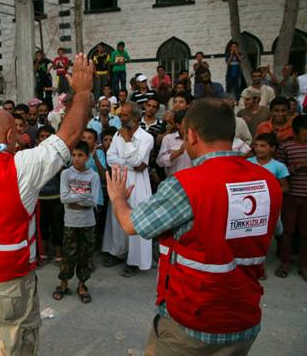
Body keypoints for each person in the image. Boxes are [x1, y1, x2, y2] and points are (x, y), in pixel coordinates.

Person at [0, 56, 94, 355]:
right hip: (6, 283)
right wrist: (84, 92)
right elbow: (69, 136)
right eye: (17, 135)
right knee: (16, 348)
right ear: (10, 135)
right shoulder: (20, 167)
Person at [106, 98, 282, 356]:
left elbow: (132, 225)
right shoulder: (268, 181)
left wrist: (119, 199)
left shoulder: (187, 184)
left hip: (192, 323)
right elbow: (272, 231)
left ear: (191, 134)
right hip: (244, 320)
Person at [104, 102, 154, 276]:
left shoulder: (147, 138)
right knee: (117, 216)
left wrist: (127, 143)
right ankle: (118, 252)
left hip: (138, 184)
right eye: (120, 115)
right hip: (120, 181)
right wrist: (129, 162)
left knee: (135, 219)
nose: (121, 118)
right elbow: (110, 158)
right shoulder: (117, 135)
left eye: (124, 116)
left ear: (136, 117)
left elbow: (139, 163)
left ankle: (134, 261)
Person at [53, 141, 100, 304]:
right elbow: (63, 198)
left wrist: (75, 200)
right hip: (70, 222)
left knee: (85, 256)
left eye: (80, 155)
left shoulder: (93, 176)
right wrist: (83, 197)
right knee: (68, 255)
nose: (76, 159)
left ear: (87, 157)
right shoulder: (66, 174)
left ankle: (82, 285)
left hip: (87, 223)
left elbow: (94, 201)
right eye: (73, 155)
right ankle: (64, 283)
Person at [275, 115, 307, 280]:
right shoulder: (286, 147)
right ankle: (285, 262)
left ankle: (303, 265)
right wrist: (298, 166)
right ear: (300, 131)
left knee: (305, 232)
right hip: (291, 196)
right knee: (287, 231)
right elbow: (280, 170)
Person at [37, 126, 65, 263]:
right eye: (42, 136)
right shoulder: (34, 156)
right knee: (42, 227)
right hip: (40, 198)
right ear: (38, 140)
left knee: (57, 226)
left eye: (48, 136)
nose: (45, 139)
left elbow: (63, 176)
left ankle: (58, 254)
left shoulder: (58, 156)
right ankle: (44, 254)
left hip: (56, 198)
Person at [157, 109, 192, 176]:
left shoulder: (198, 140)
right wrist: (179, 152)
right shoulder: (168, 139)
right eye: (186, 122)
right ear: (178, 125)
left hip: (193, 182)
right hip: (174, 182)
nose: (190, 125)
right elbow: (160, 162)